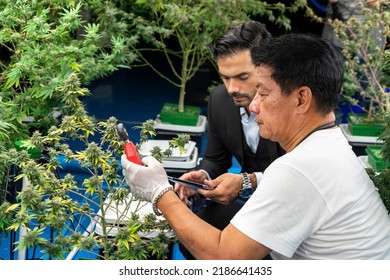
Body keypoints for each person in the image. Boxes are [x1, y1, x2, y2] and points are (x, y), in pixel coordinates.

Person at [121, 33, 390, 259]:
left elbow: (224, 258)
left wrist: (158, 192)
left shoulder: (300, 169)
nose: (253, 105)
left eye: (262, 93)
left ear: (301, 99)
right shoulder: (329, 143)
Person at [174, 21, 284, 259]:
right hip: (250, 208)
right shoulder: (220, 99)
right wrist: (202, 177)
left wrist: (248, 181)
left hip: (289, 209)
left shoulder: (288, 103)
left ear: (268, 67)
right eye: (225, 77)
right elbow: (215, 159)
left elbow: (303, 173)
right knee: (194, 237)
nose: (232, 88)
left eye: (243, 76)